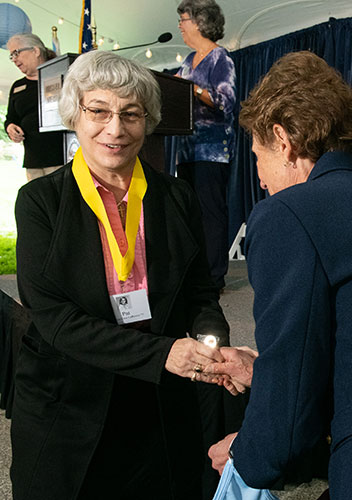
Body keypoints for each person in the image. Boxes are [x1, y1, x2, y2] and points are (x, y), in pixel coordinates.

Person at [11, 50, 232, 500]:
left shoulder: (177, 196)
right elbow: (54, 319)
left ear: (148, 120)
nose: (115, 129)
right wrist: (164, 353)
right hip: (71, 399)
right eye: (99, 111)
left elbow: (200, 293)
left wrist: (212, 342)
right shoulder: (39, 202)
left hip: (160, 398)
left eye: (131, 114)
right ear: (74, 114)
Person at [208, 50, 352, 500]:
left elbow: (288, 421)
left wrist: (246, 454)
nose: (259, 178)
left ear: (282, 139)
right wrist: (264, 369)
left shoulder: (286, 214)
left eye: (257, 157)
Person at [176, 0, 236, 291]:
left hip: (211, 151)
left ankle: (214, 278)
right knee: (189, 213)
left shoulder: (220, 58)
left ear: (199, 23)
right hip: (186, 150)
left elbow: (225, 102)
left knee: (210, 214)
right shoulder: (188, 61)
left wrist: (193, 89)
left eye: (183, 19)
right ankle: (194, 274)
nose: (180, 25)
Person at [4, 33, 64, 182]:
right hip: (33, 162)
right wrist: (10, 127)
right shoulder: (17, 87)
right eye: (11, 56)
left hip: (61, 160)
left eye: (16, 53)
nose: (14, 59)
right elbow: (11, 118)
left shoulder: (61, 78)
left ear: (36, 51)